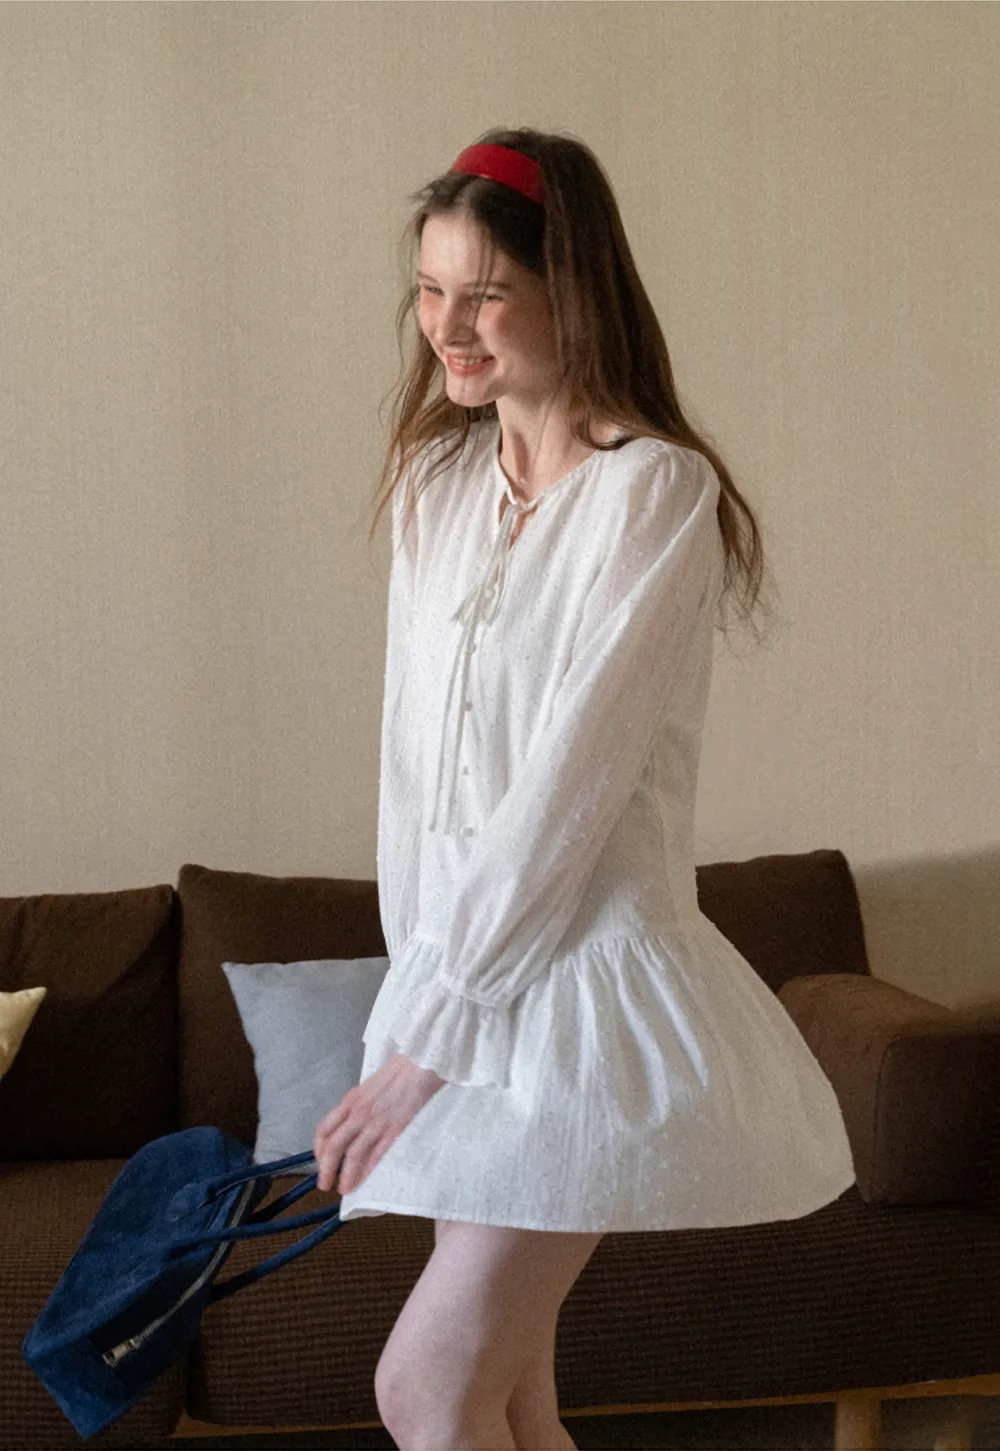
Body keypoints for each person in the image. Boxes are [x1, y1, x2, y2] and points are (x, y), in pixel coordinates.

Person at [313, 128, 855, 1451]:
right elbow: (411, 775)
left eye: (486, 293)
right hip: (463, 992)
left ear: (574, 291)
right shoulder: (435, 484)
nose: (450, 327)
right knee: (507, 1400)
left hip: (580, 1003)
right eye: (430, 291)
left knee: (424, 1390)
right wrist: (416, 997)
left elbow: (572, 788)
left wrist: (431, 1036)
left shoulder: (653, 491)